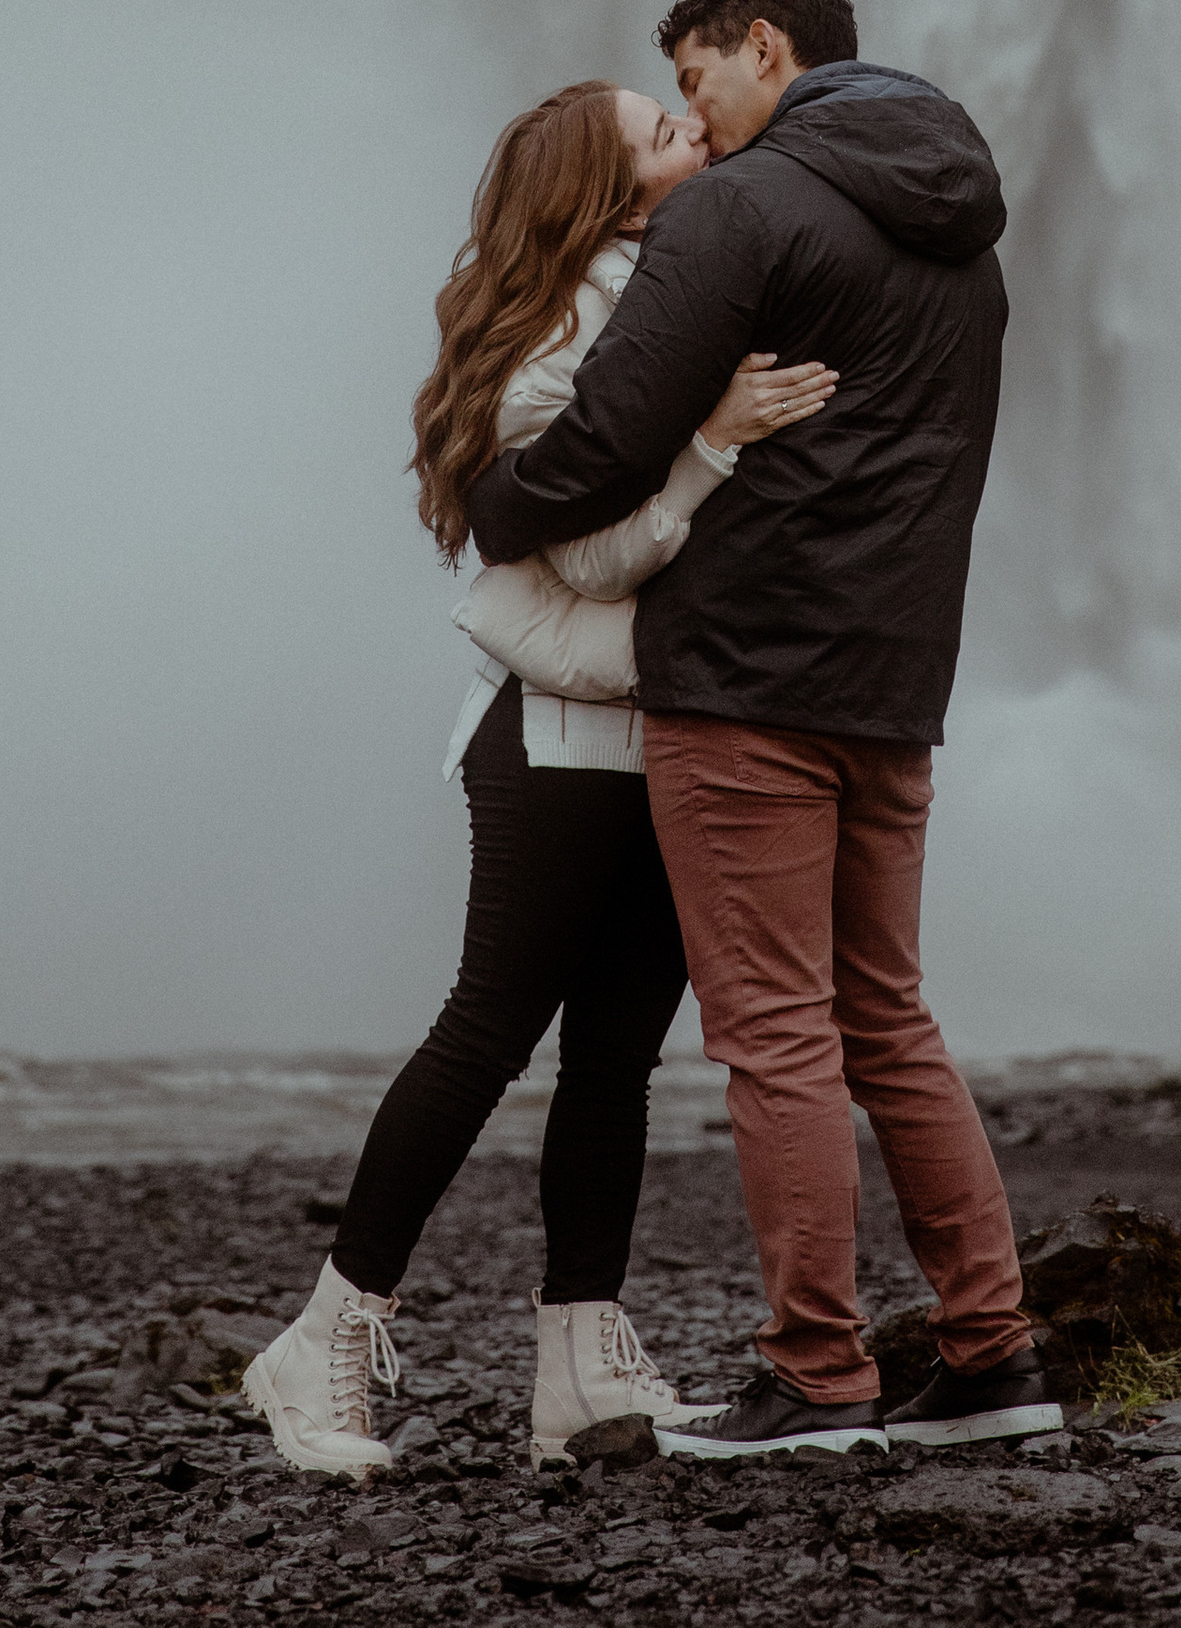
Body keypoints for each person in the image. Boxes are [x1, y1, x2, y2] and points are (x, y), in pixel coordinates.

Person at [466, 0, 1055, 1459]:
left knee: (774, 1029)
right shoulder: (964, 236)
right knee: (889, 1015)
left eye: (695, 79)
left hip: (746, 682)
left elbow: (608, 438)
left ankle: (817, 1371)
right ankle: (991, 1355)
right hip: (895, 677)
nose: (694, 116)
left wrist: (500, 497)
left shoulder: (741, 206)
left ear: (767, 47)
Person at [240, 80, 834, 1480]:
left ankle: (579, 1365)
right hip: (555, 738)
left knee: (615, 1060)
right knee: (488, 1031)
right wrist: (711, 446)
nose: (695, 133)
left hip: (663, 733)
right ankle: (322, 1338)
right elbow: (579, 553)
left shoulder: (670, 291)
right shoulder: (568, 322)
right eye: (662, 132)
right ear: (608, 191)